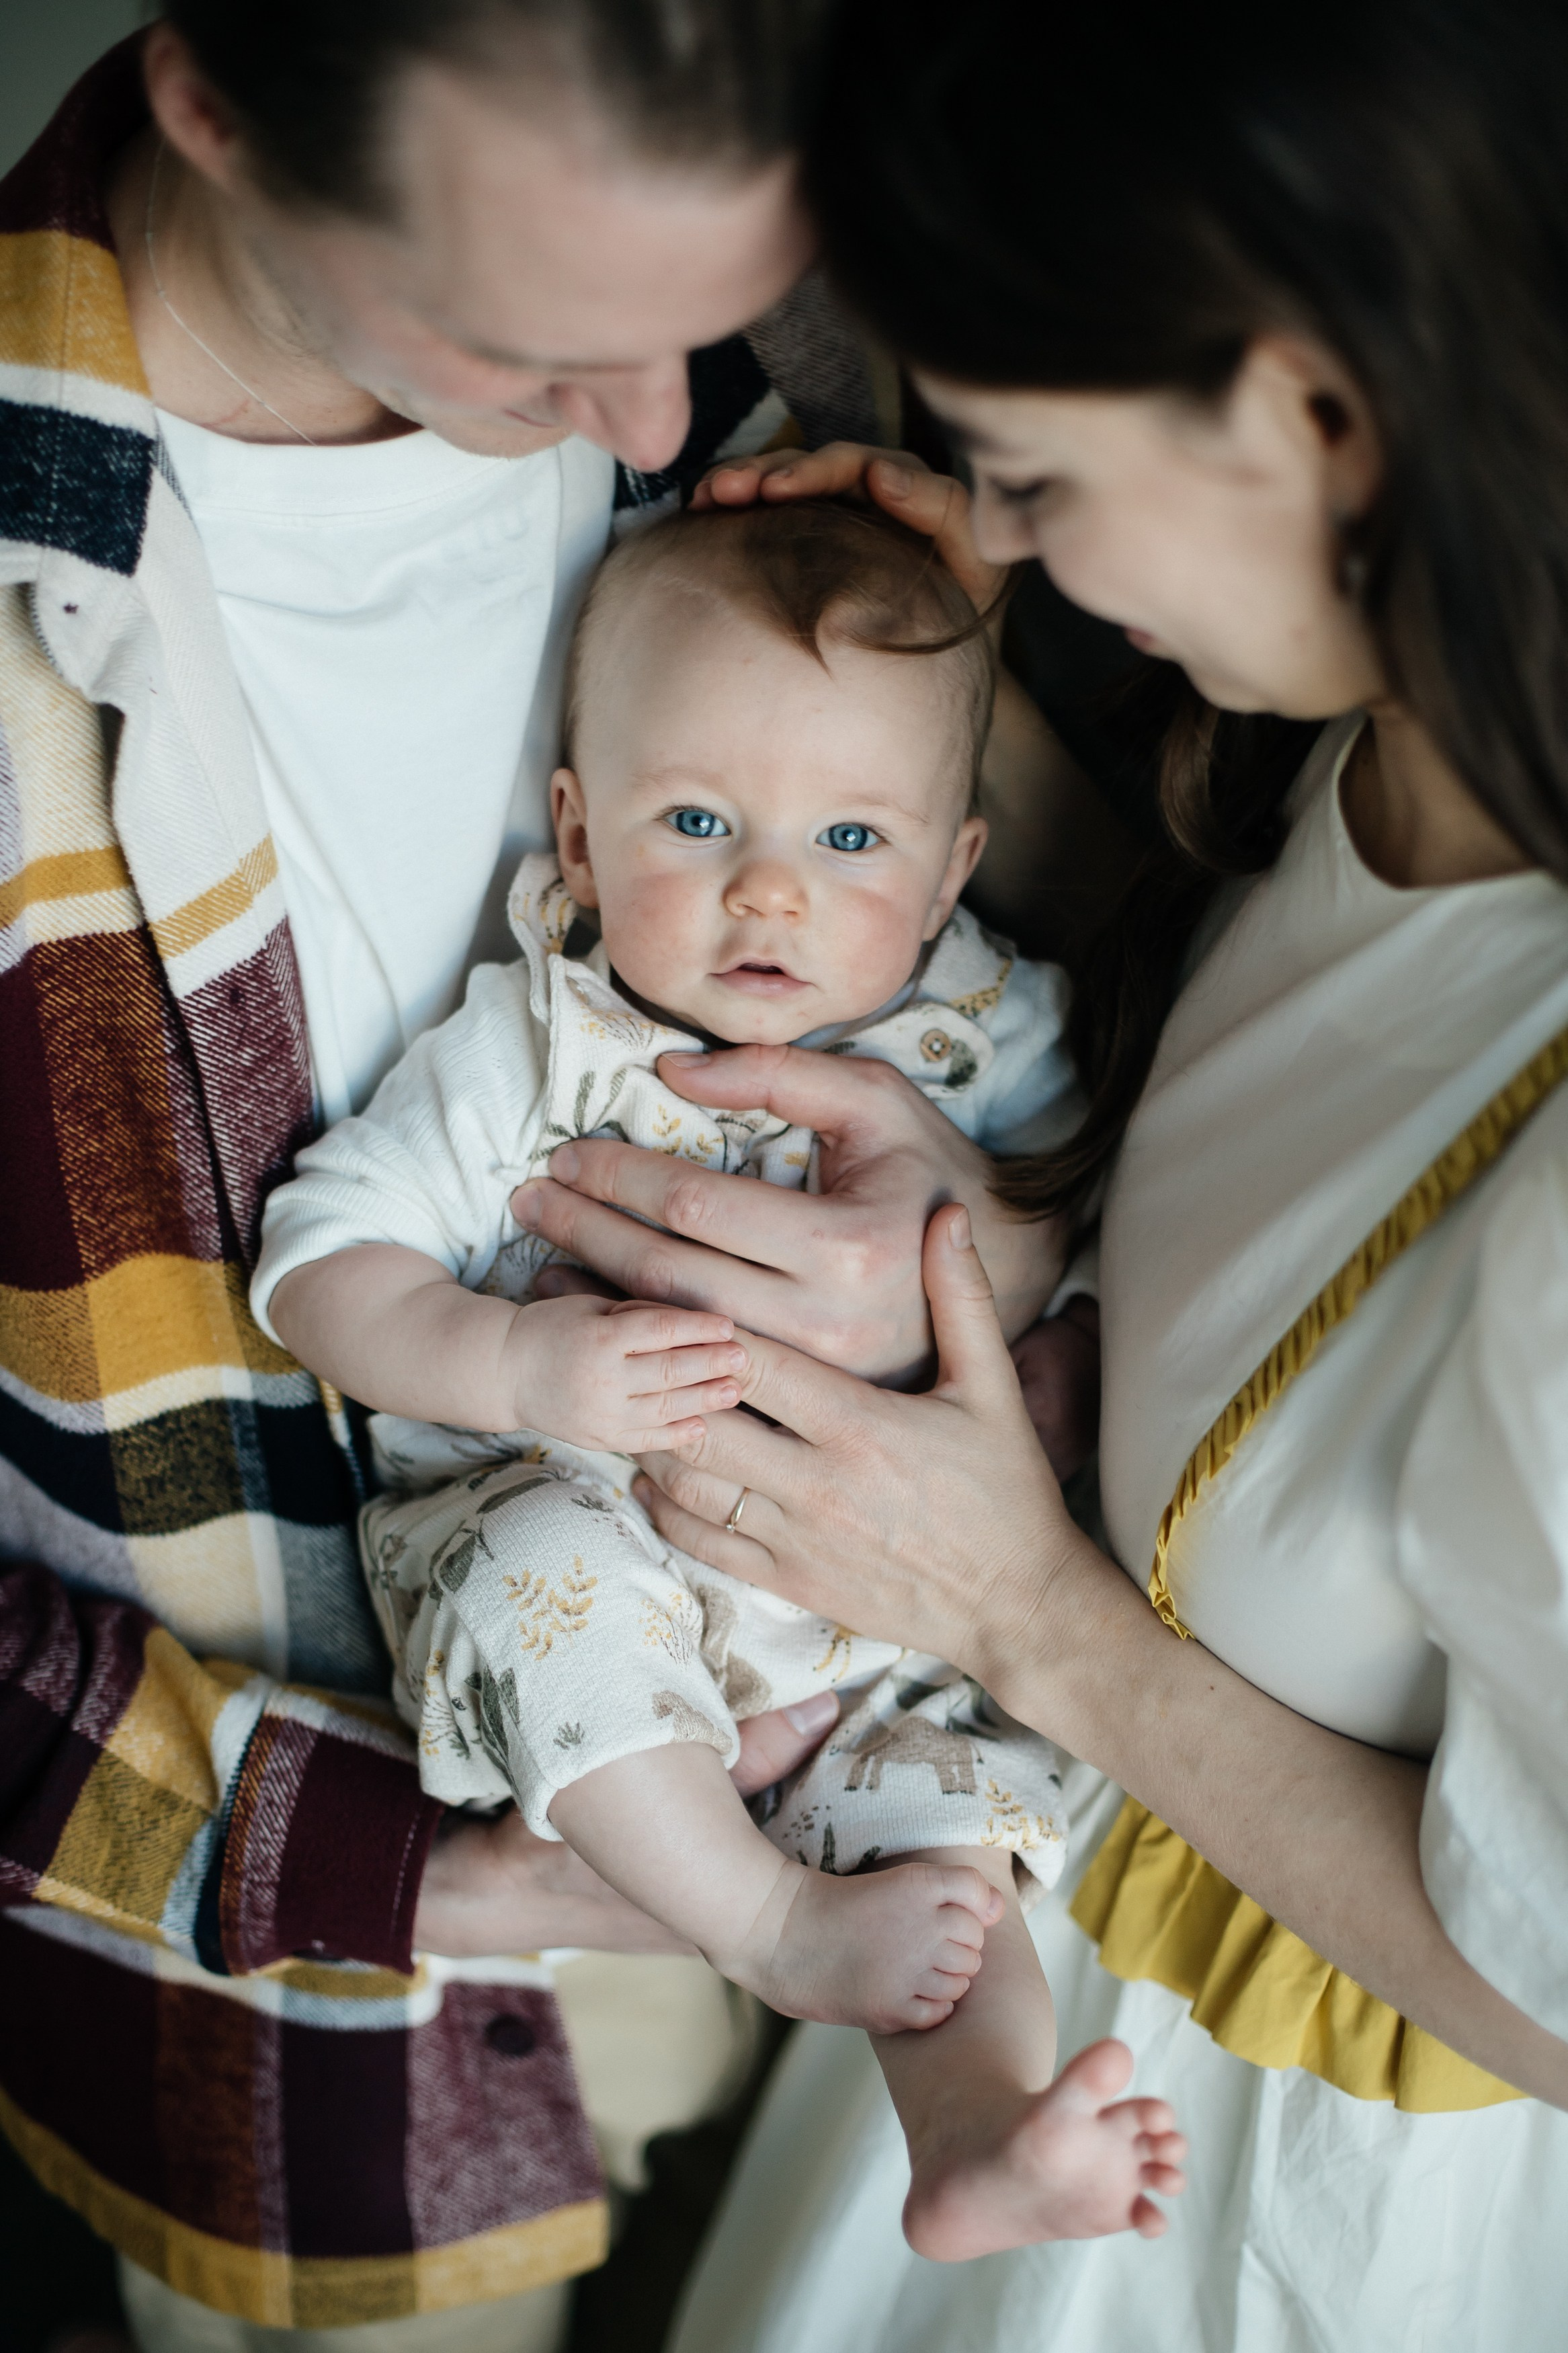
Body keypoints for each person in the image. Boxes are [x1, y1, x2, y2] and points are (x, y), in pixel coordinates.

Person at [0, 4, 1099, 2343]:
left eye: (701, 328)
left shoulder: (778, 410)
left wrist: (969, 1249)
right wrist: (441, 1877)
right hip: (322, 1999)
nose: (660, 425)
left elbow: (1127, 1075)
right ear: (209, 96)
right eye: (538, 343)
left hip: (833, 1798)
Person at [481, 0, 1568, 2343]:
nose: (988, 533)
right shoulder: (1381, 733)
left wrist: (1015, 1606)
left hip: (1284, 2197)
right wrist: (909, 796)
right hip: (1018, 1946)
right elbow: (1282, 1154)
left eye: (1026, 471)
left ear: (1314, 408)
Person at [250, 495, 1182, 2256]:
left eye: (850, 834)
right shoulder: (544, 1041)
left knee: (947, 1852)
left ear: (953, 867)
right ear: (582, 840)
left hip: (883, 1613)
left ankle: (981, 2134)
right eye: (699, 822)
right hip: (595, 1553)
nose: (772, 888)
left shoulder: (987, 1030)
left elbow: (1122, 1207)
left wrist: (1052, 1347)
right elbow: (320, 1265)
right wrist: (520, 1355)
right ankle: (758, 1918)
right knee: (548, 1581)